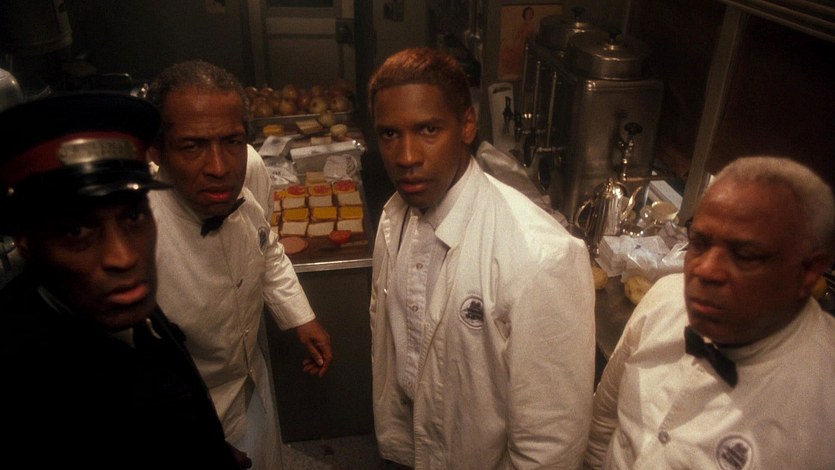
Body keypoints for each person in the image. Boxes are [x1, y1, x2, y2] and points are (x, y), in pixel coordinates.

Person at [367, 47, 596, 468]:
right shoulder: (393, 216)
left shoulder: (541, 257)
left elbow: (551, 442)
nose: (407, 157)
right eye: (389, 134)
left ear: (467, 125)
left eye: (429, 129)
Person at [0, 92, 246, 469]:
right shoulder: (26, 383)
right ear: (26, 243)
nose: (124, 257)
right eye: (77, 231)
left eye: (133, 217)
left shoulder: (107, 299)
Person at [583, 156, 835, 469]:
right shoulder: (665, 297)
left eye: (745, 255)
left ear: (809, 271)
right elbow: (604, 418)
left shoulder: (825, 409)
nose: (705, 270)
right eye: (700, 243)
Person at [144, 59, 333, 470]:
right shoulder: (136, 229)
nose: (219, 168)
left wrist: (299, 316)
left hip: (251, 383)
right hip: (186, 416)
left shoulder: (249, 166)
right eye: (192, 146)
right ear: (156, 150)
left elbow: (265, 243)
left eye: (231, 140)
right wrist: (193, 439)